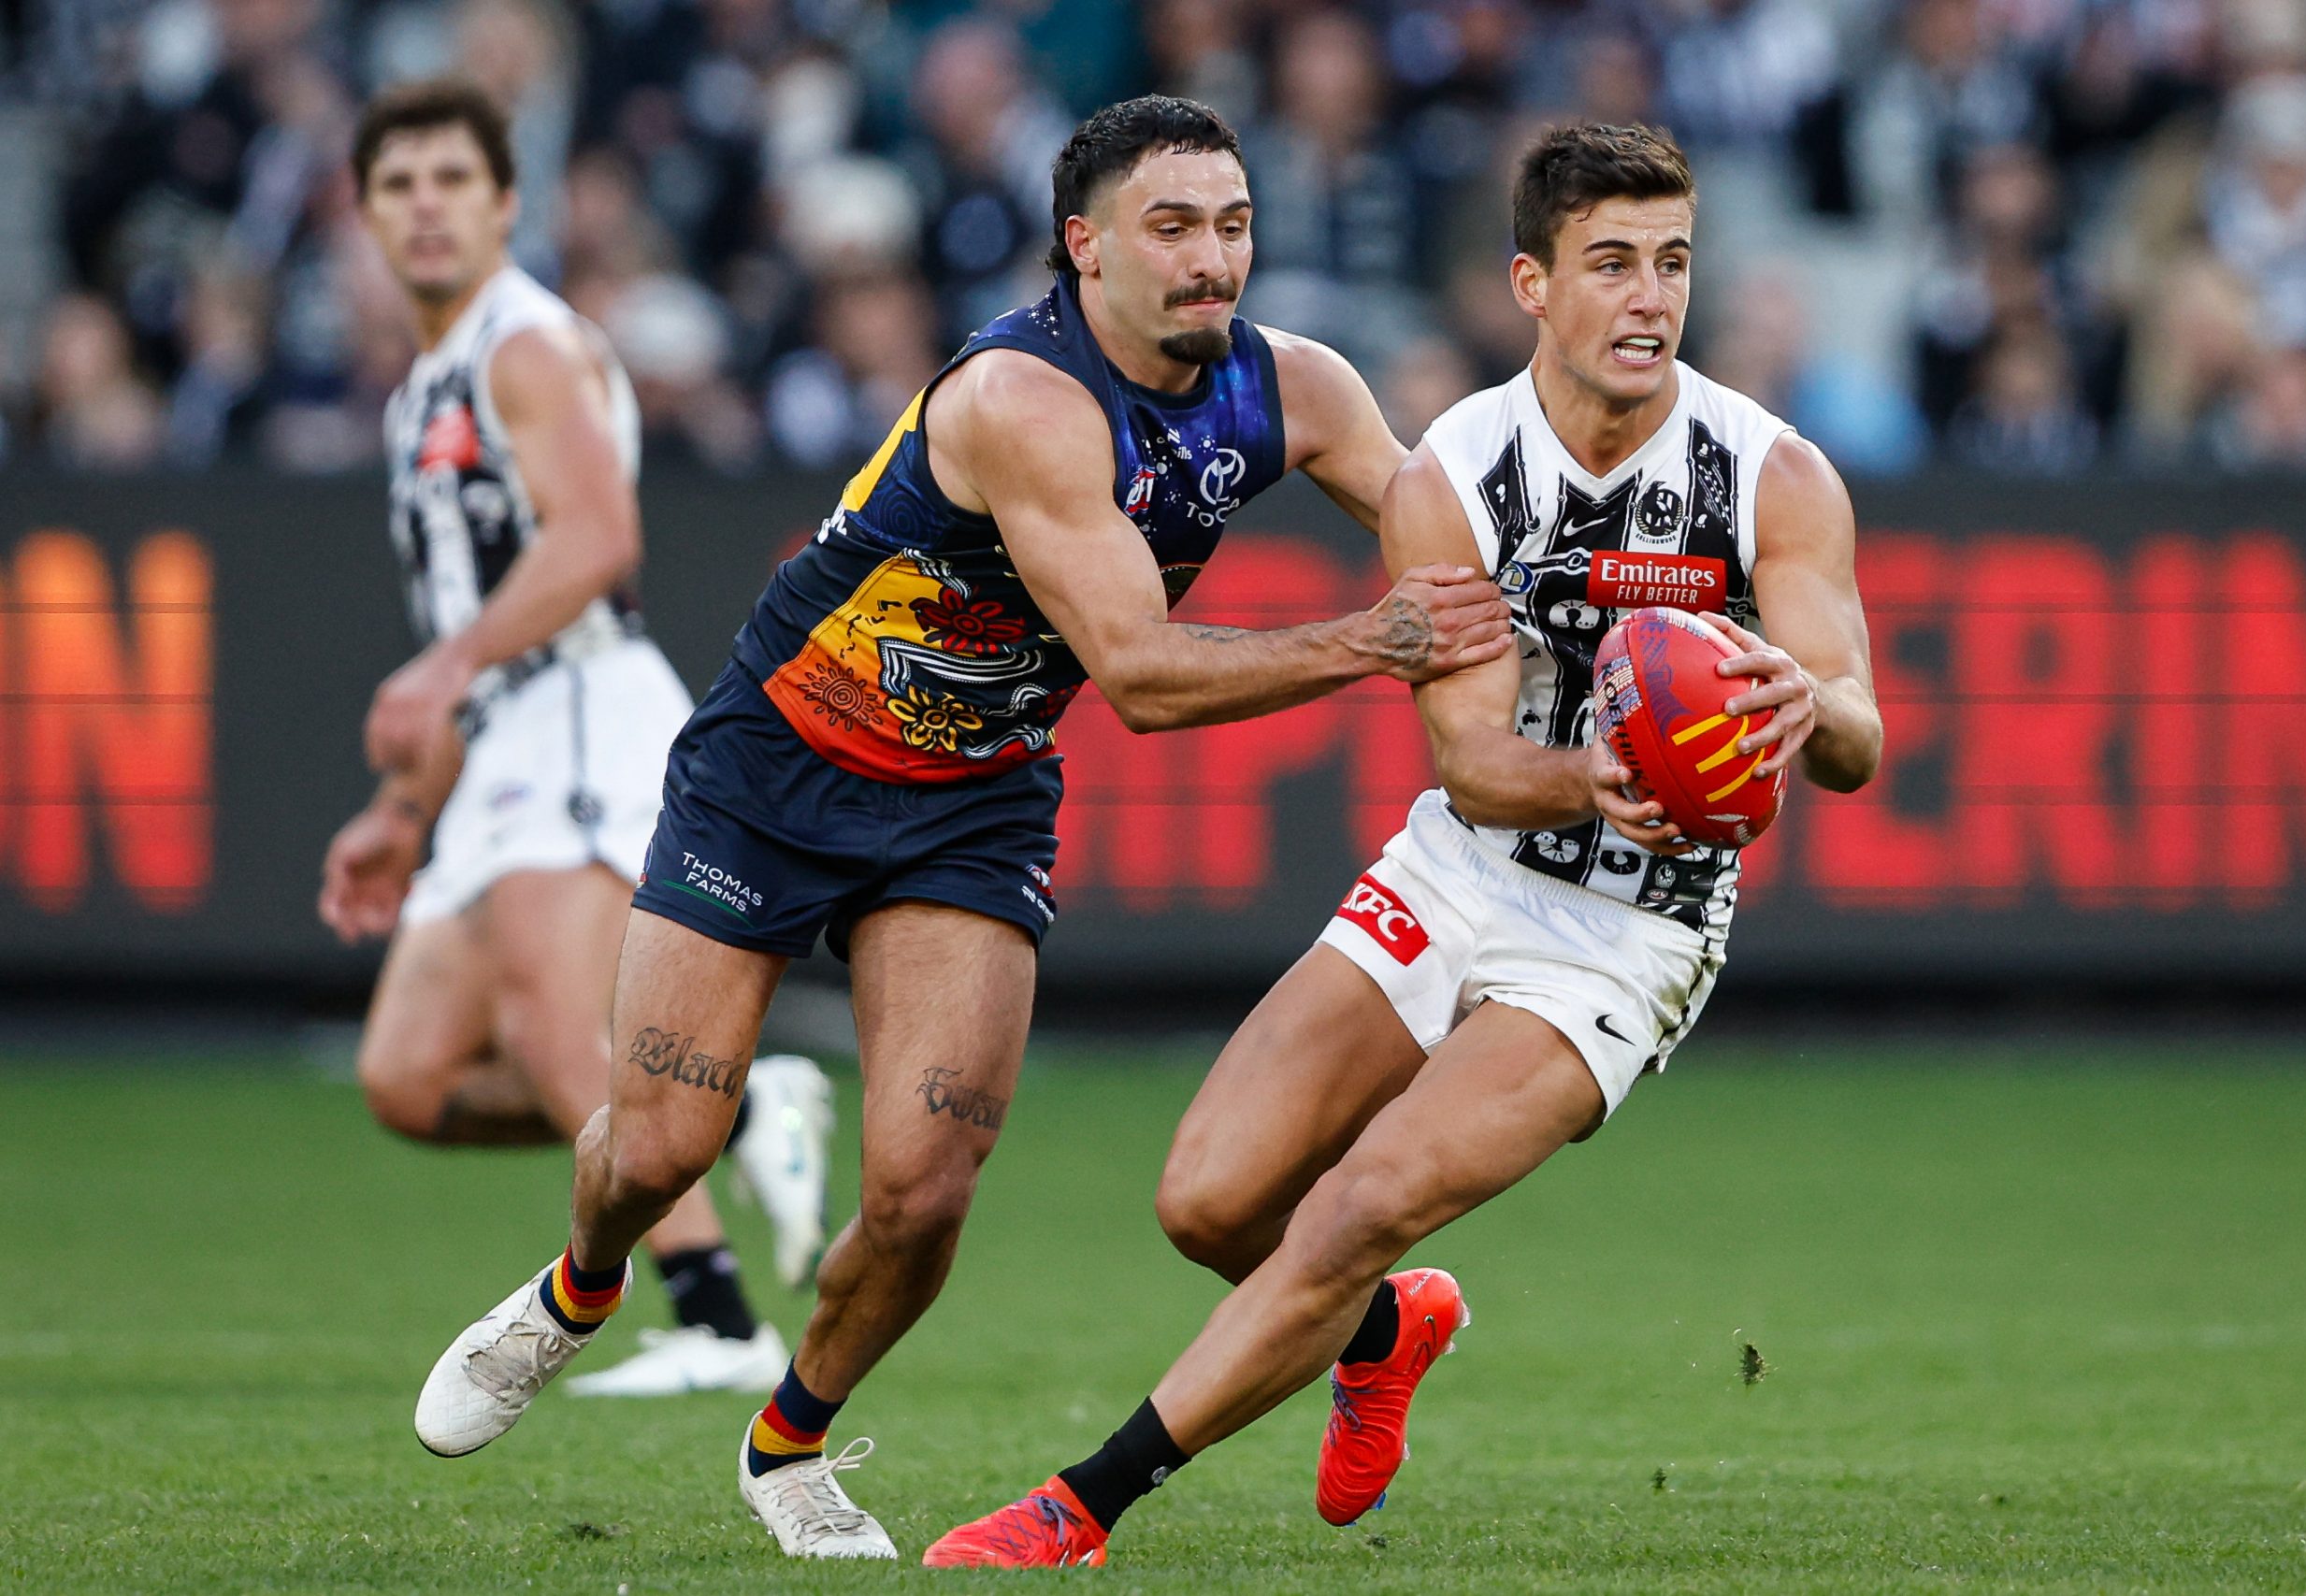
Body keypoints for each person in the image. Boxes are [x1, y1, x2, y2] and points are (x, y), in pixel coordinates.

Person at [411, 94, 1512, 1560]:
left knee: (925, 1191)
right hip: (778, 763)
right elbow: (1139, 674)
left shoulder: (1298, 387)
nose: (1212, 261)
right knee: (661, 1146)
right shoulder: (1020, 402)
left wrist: (1603, 619)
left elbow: (1461, 534)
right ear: (1086, 246)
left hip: (971, 800)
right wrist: (1378, 641)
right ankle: (580, 1290)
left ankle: (789, 1445)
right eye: (1172, 228)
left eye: (1233, 226)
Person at [927, 121, 1884, 1568]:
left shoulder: (1774, 476)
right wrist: (1601, 774)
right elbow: (1479, 770)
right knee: (1210, 1198)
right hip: (1466, 864)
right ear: (1533, 285)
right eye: (1611, 264)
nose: (1650, 299)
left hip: (1634, 928)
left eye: (1673, 264)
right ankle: (1388, 1331)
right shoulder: (1454, 473)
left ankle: (1083, 1506)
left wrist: (1806, 702)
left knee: (1362, 1200)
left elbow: (1865, 740)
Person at [319, 79, 832, 1401]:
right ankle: (735, 1105)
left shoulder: (522, 347)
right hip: (503, 731)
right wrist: (401, 810)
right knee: (409, 1078)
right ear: (366, 213)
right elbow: (467, 621)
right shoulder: (425, 381)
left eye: (451, 181)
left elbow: (597, 542)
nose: (425, 206)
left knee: (561, 1027)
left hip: (581, 706)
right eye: (398, 184)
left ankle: (718, 1321)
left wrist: (443, 668)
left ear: (505, 204)